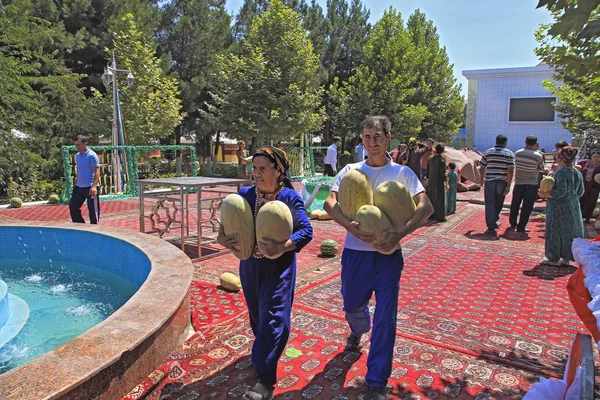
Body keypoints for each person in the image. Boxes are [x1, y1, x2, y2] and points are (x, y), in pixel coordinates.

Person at [323, 116, 433, 400]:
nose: (372, 142)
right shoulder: (350, 171)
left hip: (388, 258)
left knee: (386, 318)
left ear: (388, 138)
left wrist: (400, 234)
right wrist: (348, 227)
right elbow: (329, 203)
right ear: (362, 139)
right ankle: (358, 329)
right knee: (351, 306)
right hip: (355, 255)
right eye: (367, 137)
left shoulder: (403, 173)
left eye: (378, 136)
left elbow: (426, 207)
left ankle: (376, 381)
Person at [217, 146, 313, 400]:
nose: (256, 174)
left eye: (262, 169)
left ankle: (265, 382)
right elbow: (222, 231)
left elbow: (306, 231)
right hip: (249, 267)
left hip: (278, 268)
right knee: (258, 319)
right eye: (254, 169)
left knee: (273, 319)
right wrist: (225, 240)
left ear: (278, 171)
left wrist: (283, 247)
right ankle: (264, 354)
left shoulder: (290, 198)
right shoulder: (245, 195)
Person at [537, 146, 584, 266]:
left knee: (556, 231)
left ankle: (554, 258)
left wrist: (543, 194)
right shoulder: (577, 173)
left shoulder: (561, 173)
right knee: (570, 231)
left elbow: (559, 192)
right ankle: (567, 258)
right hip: (573, 206)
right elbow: (581, 192)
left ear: (562, 158)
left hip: (559, 208)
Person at [478, 135, 515, 235]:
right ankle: (493, 221)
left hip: (490, 181)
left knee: (490, 202)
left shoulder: (488, 152)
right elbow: (510, 170)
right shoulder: (509, 153)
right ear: (505, 142)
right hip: (502, 182)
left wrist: (481, 180)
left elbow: (481, 167)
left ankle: (491, 223)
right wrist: (509, 184)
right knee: (499, 202)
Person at [509, 136, 544, 233]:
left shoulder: (518, 153)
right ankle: (521, 226)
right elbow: (541, 169)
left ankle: (512, 222)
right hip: (531, 183)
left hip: (519, 182)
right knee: (527, 206)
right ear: (536, 143)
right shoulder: (538, 156)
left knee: (515, 203)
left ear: (525, 142)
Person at [70, 135, 100, 224]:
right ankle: (80, 225)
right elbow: (80, 169)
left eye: (78, 145)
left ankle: (95, 229)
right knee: (73, 206)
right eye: (76, 145)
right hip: (79, 187)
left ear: (85, 143)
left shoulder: (92, 155)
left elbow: (97, 171)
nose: (77, 147)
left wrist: (94, 186)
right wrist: (76, 181)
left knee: (93, 211)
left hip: (90, 187)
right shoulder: (78, 156)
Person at [426, 144, 447, 222]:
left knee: (431, 197)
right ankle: (440, 216)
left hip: (431, 180)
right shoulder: (442, 159)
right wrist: (446, 183)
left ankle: (431, 214)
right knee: (439, 198)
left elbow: (427, 169)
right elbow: (443, 172)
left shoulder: (430, 158)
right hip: (439, 181)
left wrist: (427, 178)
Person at [579, 150, 600, 223]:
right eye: (594, 156)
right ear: (591, 156)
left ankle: (588, 217)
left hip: (595, 187)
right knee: (582, 200)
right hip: (584, 185)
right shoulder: (584, 162)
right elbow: (577, 168)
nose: (596, 158)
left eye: (597, 157)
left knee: (591, 202)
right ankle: (580, 216)